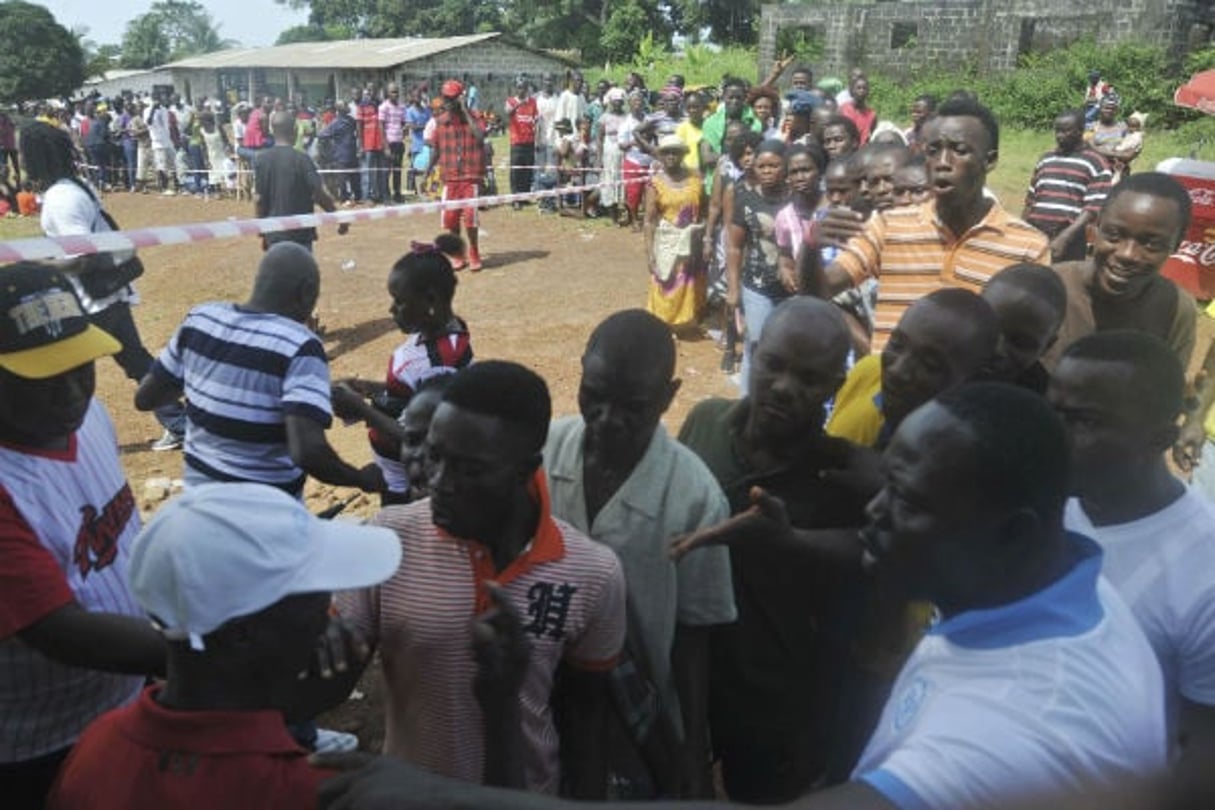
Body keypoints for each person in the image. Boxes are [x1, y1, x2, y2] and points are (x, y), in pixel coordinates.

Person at [315, 383, 1169, 810]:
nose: (872, 507)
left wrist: (424, 794)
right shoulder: (1049, 589)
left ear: (1012, 530)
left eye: (905, 498)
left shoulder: (1016, 728)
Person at [335, 360, 627, 795]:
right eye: (435, 456)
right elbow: (327, 682)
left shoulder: (592, 573)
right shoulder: (387, 541)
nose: (440, 482)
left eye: (470, 470)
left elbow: (585, 719)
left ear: (526, 470)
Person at [46, 483, 403, 810]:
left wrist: (285, 710)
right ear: (242, 634)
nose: (330, 607)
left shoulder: (98, 745)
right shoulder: (309, 790)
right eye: (315, 591)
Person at [678, 298, 868, 802]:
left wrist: (815, 733)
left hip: (772, 707)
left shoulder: (839, 479)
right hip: (685, 679)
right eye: (775, 365)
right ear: (754, 354)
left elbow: (841, 621)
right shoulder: (705, 423)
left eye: (809, 378)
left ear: (835, 387)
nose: (784, 387)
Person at [543, 311, 735, 797]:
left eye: (633, 406)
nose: (607, 418)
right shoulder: (545, 453)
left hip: (635, 708)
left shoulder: (694, 496)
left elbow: (695, 632)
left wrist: (693, 744)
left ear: (669, 397)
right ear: (582, 368)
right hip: (542, 691)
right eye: (594, 395)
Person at [0, 264, 166, 808]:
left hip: (125, 696)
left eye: (80, 365)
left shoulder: (88, 416)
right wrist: (205, 652)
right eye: (43, 377)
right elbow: (58, 631)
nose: (72, 391)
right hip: (40, 747)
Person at [1051, 331, 1215, 768]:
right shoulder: (1039, 506)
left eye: (1084, 422)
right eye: (1054, 414)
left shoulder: (1206, 576)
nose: (1054, 435)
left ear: (1160, 438)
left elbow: (1200, 764)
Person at [134, 242, 384, 499]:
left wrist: (211, 383)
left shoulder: (200, 320)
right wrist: (361, 478)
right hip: (267, 515)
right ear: (307, 291)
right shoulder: (300, 345)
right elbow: (309, 452)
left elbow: (146, 398)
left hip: (201, 504)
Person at [802, 96, 1049, 350]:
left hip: (973, 388)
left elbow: (1027, 342)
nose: (942, 162)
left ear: (990, 160)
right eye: (933, 151)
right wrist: (810, 247)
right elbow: (819, 292)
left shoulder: (1027, 246)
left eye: (959, 150)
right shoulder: (888, 226)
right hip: (895, 385)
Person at [22, 120, 187, 451]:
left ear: (36, 157)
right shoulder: (77, 185)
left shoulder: (60, 199)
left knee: (64, 373)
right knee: (135, 359)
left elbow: (83, 257)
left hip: (87, 301)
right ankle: (179, 422)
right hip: (108, 293)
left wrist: (36, 264)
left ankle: (65, 441)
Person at [349, 244, 473, 505]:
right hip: (395, 466)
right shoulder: (433, 332)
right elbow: (413, 393)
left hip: (404, 482)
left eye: (399, 301)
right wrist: (370, 388)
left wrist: (360, 409)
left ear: (430, 300)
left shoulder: (439, 363)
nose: (391, 310)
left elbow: (416, 436)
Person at [1043, 172, 1196, 370]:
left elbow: (1164, 389)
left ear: (1176, 245)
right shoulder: (1050, 288)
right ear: (1096, 227)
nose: (1127, 254)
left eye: (1151, 244)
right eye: (1114, 235)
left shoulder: (1175, 309)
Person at [828, 288, 998, 450]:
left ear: (973, 380)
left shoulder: (954, 467)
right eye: (896, 345)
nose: (897, 371)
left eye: (929, 365)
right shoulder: (869, 373)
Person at [727, 138, 790, 393]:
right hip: (757, 286)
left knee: (787, 347)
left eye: (773, 166)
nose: (766, 171)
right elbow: (734, 247)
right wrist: (733, 289)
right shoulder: (745, 201)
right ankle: (747, 403)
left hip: (792, 287)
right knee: (757, 345)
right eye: (761, 166)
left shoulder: (796, 200)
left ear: (785, 167)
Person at [1023, 109, 1112, 262]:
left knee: (1064, 282)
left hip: (1069, 237)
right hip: (1036, 233)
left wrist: (1065, 237)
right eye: (1057, 131)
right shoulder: (1046, 159)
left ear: (1080, 131)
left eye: (1066, 131)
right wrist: (1021, 229)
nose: (1059, 136)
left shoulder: (1096, 163)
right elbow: (1030, 201)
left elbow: (1092, 209)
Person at [253, 111, 346, 251]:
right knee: (303, 272)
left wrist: (262, 229)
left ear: (273, 131)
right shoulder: (302, 160)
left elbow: (259, 199)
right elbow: (318, 193)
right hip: (300, 236)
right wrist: (336, 216)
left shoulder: (262, 160)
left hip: (274, 235)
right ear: (295, 130)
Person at [643, 135, 706, 332]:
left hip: (691, 241)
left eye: (675, 152)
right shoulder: (655, 183)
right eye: (667, 152)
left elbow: (703, 209)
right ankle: (661, 327)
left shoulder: (696, 179)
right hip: (667, 241)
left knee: (689, 283)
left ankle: (683, 323)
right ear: (660, 156)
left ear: (683, 155)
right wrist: (649, 252)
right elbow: (649, 220)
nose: (671, 156)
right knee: (666, 282)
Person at [427, 79, 487, 271]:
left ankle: (474, 252)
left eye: (451, 98)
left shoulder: (475, 118)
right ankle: (457, 254)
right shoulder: (441, 122)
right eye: (445, 97)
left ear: (460, 98)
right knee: (451, 219)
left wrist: (465, 111)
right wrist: (427, 172)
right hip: (450, 177)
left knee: (471, 218)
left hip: (470, 176)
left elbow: (480, 137)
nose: (447, 101)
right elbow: (436, 150)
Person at [980, 262, 1067, 394]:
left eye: (1021, 343)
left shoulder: (1040, 405)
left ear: (1047, 347)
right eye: (989, 327)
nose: (997, 349)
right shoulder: (942, 355)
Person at [318, 100, 361, 204]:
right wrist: (332, 141)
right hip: (341, 154)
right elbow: (322, 134)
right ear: (340, 109)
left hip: (352, 153)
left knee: (355, 177)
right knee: (342, 178)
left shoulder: (352, 120)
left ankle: (357, 197)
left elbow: (358, 132)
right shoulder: (335, 123)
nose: (348, 106)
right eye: (345, 105)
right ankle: (344, 198)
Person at [505, 77, 539, 207]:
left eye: (524, 87)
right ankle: (515, 198)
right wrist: (519, 103)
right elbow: (508, 112)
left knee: (527, 170)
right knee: (516, 171)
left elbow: (536, 119)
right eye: (519, 87)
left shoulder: (533, 102)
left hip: (529, 141)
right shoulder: (511, 101)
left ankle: (524, 196)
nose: (522, 90)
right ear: (516, 89)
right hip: (517, 142)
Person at [380, 83, 407, 203]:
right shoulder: (383, 107)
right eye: (392, 92)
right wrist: (385, 147)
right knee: (387, 171)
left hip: (399, 142)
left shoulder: (402, 107)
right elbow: (381, 127)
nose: (395, 94)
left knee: (397, 170)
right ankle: (386, 196)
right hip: (389, 142)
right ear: (387, 93)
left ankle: (397, 193)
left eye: (396, 91)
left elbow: (402, 123)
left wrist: (405, 130)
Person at [838, 74, 876, 145]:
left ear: (868, 92)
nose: (861, 90)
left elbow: (873, 136)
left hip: (863, 151)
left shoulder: (872, 114)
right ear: (852, 91)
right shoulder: (843, 110)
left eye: (864, 88)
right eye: (858, 88)